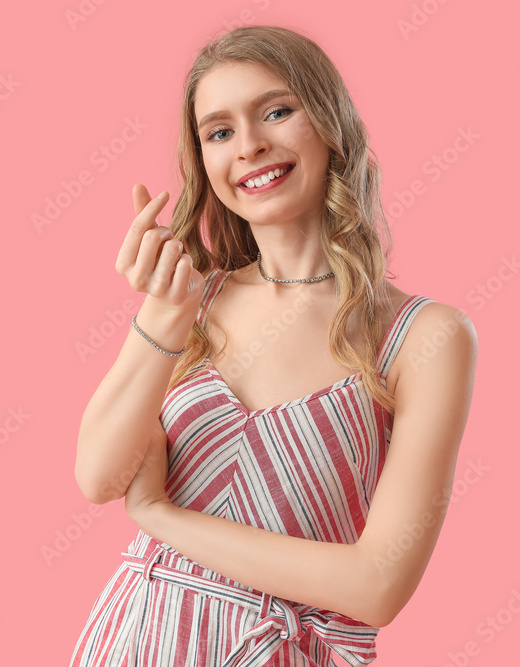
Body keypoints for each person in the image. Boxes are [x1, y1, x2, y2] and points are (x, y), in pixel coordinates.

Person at [69, 25, 478, 667]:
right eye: (220, 132)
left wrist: (159, 516)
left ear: (328, 120)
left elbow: (377, 586)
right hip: (140, 640)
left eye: (277, 112)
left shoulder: (426, 337)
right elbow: (97, 476)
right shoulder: (190, 305)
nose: (251, 146)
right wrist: (167, 313)